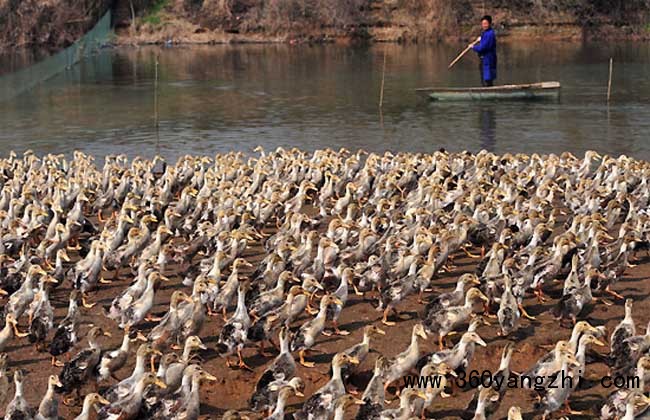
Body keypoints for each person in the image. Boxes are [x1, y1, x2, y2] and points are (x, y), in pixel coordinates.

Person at [471, 15, 497, 87]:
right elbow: (483, 43)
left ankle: (488, 92)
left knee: (487, 78)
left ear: (489, 23)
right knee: (484, 78)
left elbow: (483, 47)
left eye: (486, 23)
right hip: (484, 59)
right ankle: (487, 90)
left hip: (488, 59)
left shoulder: (490, 34)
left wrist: (473, 47)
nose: (484, 25)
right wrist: (481, 39)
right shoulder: (485, 33)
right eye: (483, 24)